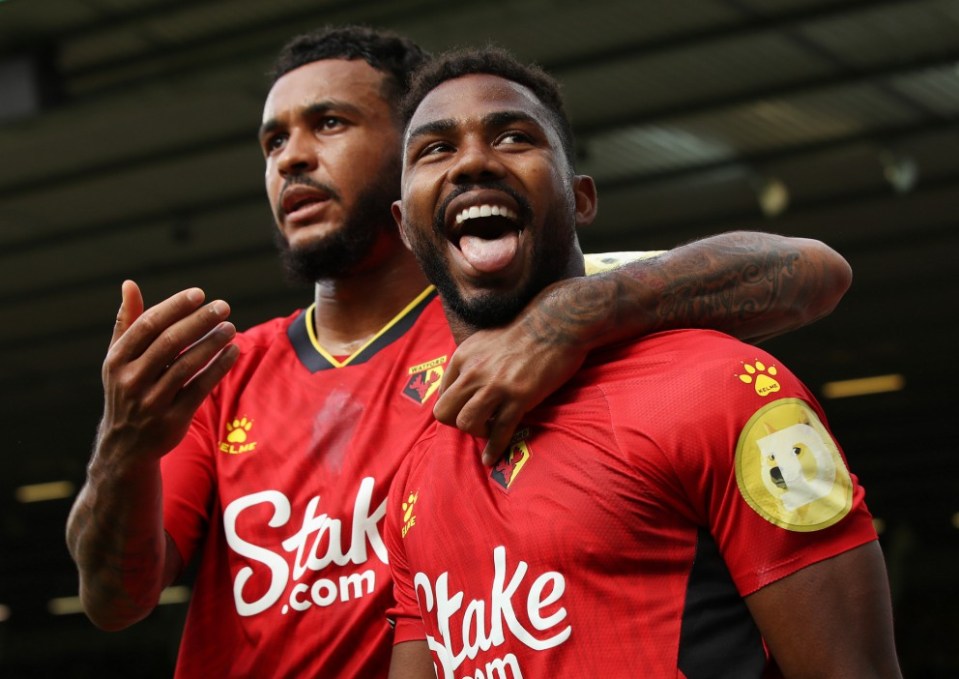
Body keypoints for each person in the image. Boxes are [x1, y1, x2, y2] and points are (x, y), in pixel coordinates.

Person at [65, 26, 854, 679]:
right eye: (274, 140)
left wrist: (571, 316)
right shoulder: (225, 371)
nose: (292, 157)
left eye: (329, 124)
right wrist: (122, 446)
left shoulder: (523, 303)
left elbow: (808, 273)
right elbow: (116, 598)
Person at [384, 47, 902, 678]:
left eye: (514, 136)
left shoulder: (721, 389)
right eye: (435, 148)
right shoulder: (418, 473)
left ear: (581, 200)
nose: (472, 161)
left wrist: (568, 318)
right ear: (406, 228)